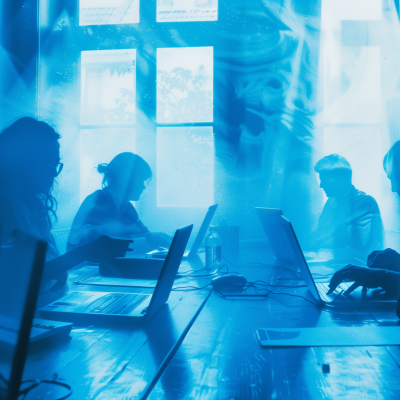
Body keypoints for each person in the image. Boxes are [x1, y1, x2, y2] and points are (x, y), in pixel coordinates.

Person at [0, 117, 132, 290]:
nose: (54, 173)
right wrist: (83, 253)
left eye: (56, 164)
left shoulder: (33, 204)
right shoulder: (7, 208)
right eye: (47, 164)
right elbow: (19, 280)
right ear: (20, 163)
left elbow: (45, 270)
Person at [328, 142, 400, 310]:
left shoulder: (363, 203)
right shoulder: (332, 205)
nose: (394, 188)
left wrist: (384, 277)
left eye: (396, 177)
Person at [67, 152, 171, 252]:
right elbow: (117, 237)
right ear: (127, 179)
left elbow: (144, 234)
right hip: (84, 268)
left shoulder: (128, 207)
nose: (143, 187)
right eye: (141, 180)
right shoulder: (98, 200)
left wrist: (161, 237)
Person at [313, 154, 384, 260]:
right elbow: (320, 237)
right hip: (334, 265)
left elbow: (361, 250)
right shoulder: (330, 203)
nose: (321, 185)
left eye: (324, 180)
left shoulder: (365, 203)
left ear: (340, 179)